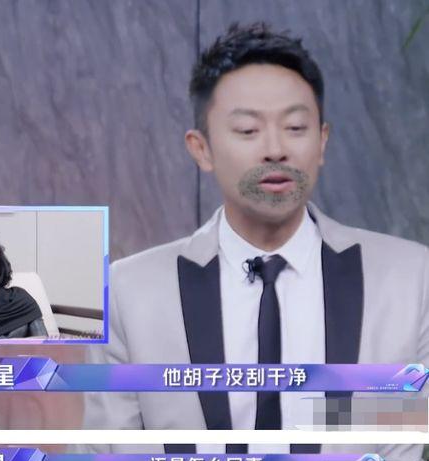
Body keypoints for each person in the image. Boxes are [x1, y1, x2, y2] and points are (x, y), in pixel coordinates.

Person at [84, 21, 428, 433]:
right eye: (248, 130)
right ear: (202, 149)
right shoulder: (129, 293)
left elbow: (408, 446)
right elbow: (108, 454)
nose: (275, 149)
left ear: (322, 142)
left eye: (295, 128)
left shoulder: (411, 278)